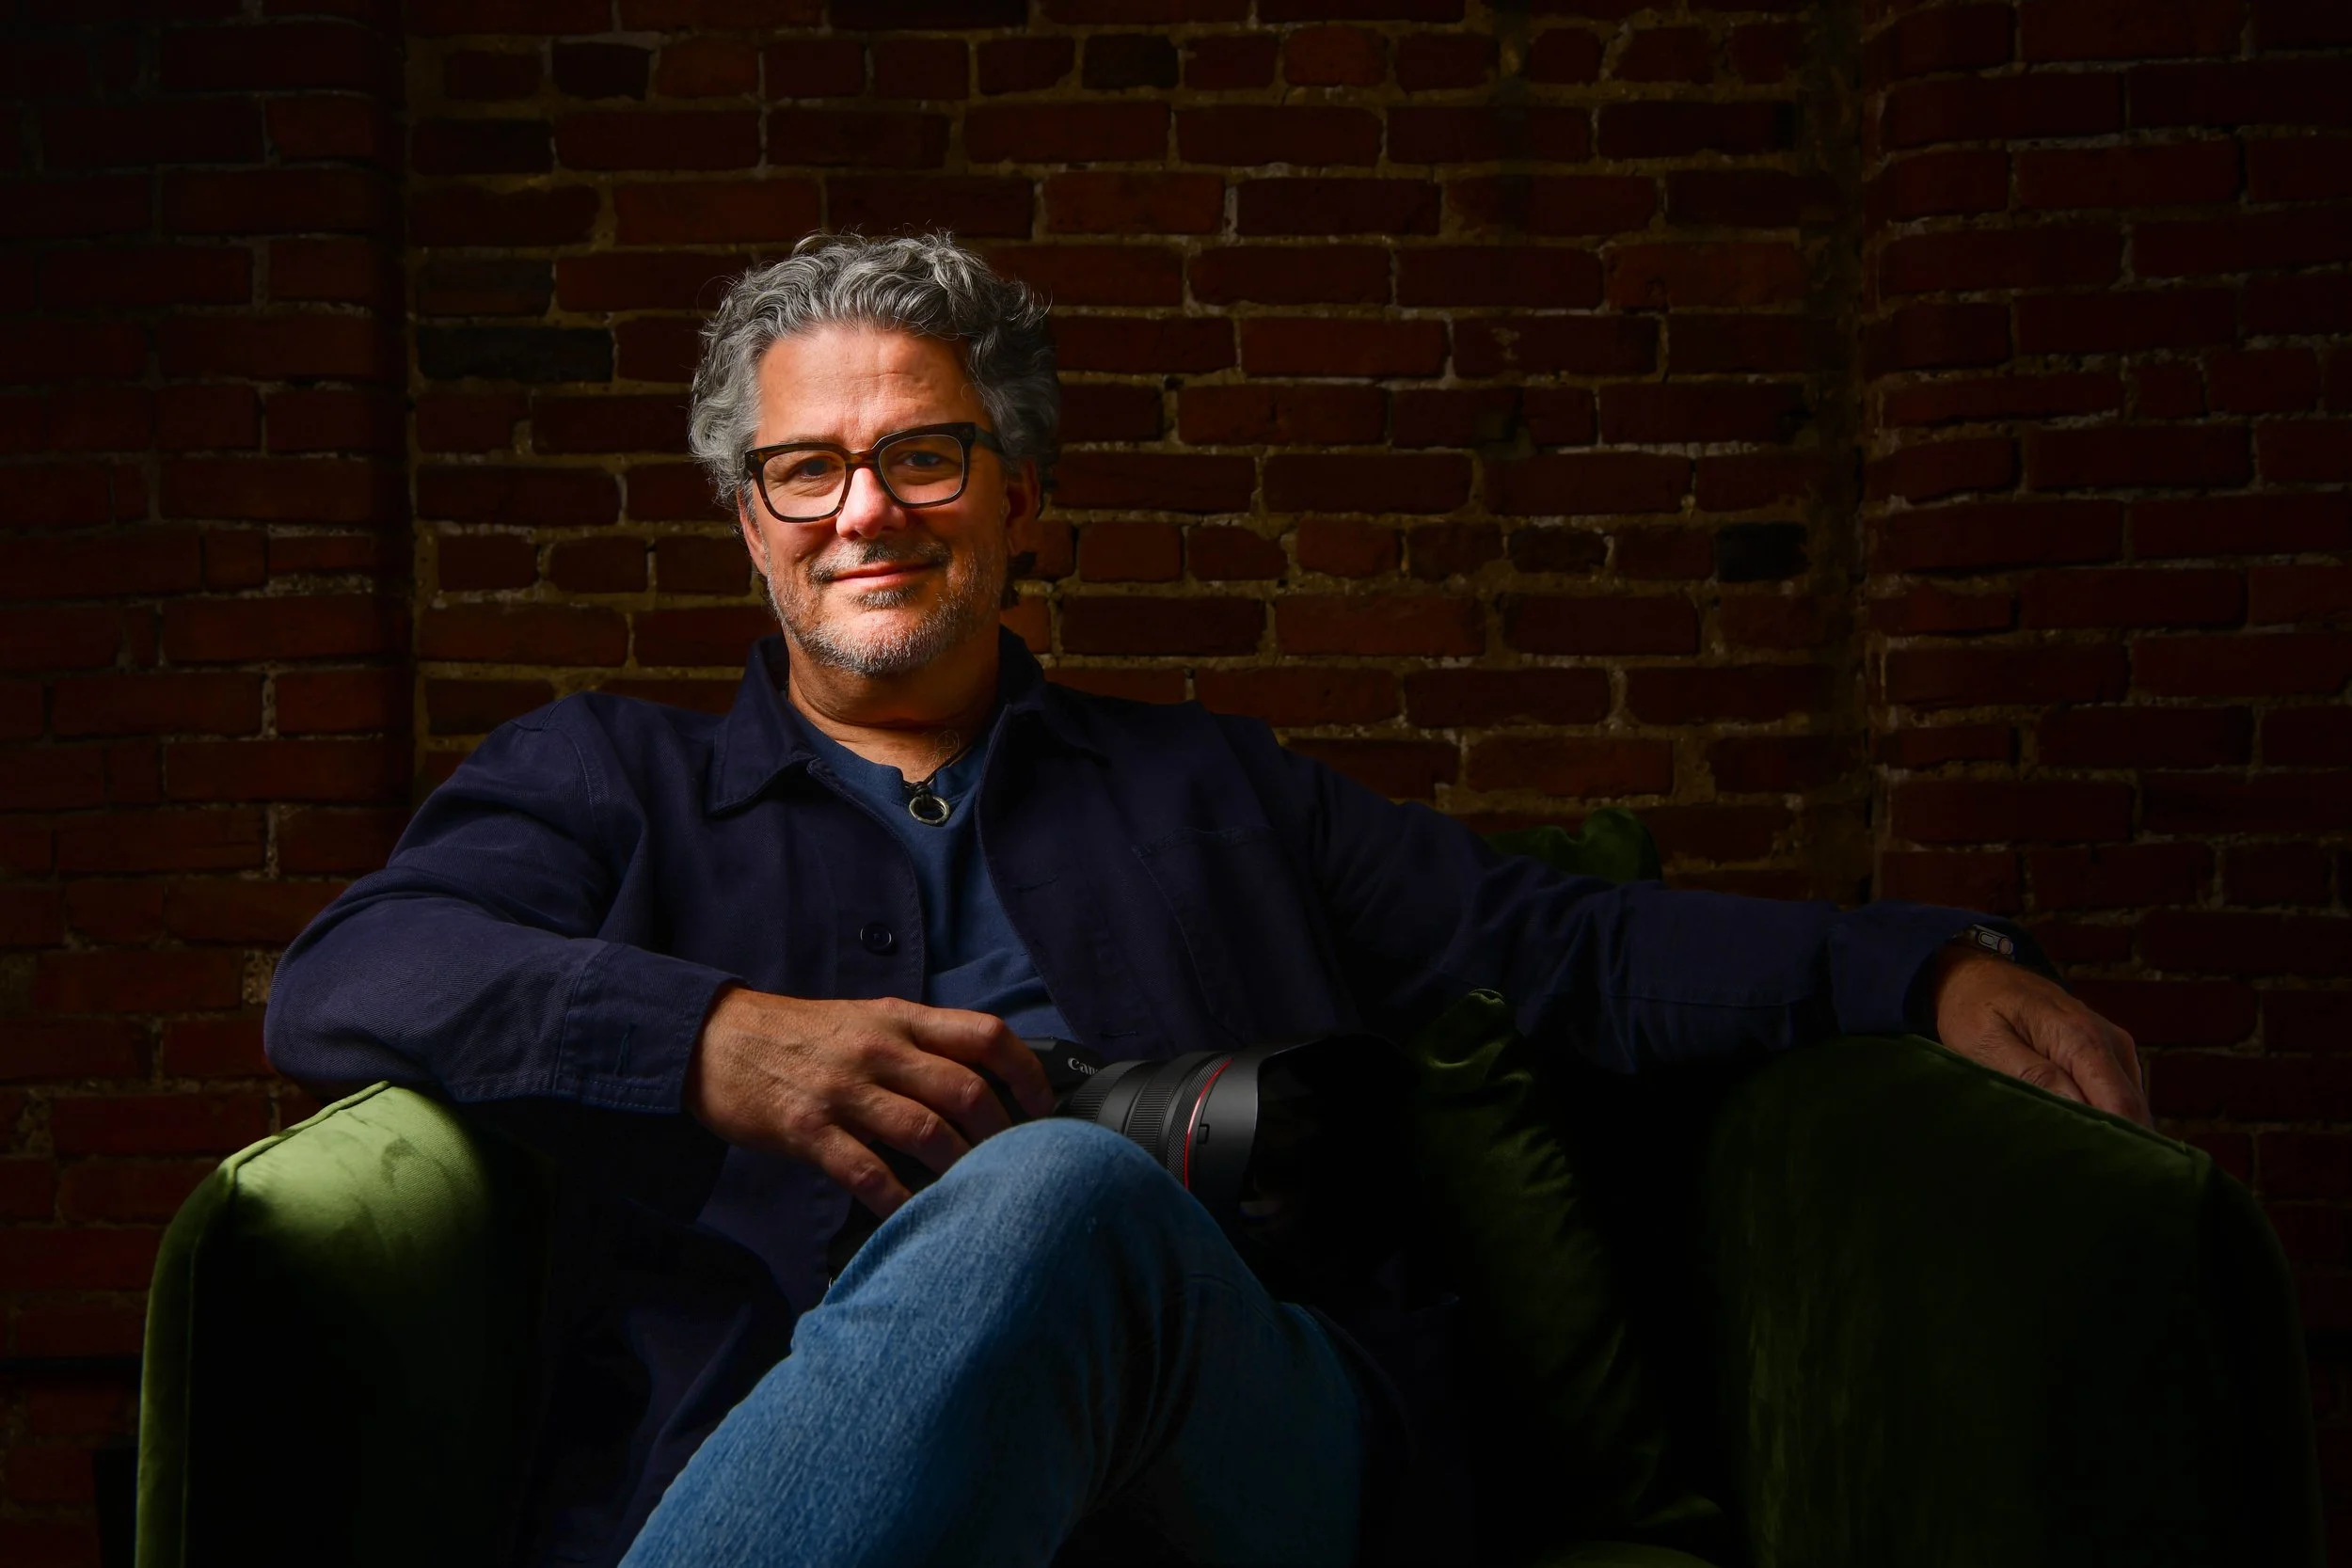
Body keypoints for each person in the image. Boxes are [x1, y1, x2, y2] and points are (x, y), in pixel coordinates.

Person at [265, 232, 2146, 1568]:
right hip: (778, 1433)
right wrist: (710, 1038)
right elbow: (353, 971)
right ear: (746, 518)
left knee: (1060, 1181)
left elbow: (1559, 943)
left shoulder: (1212, 791)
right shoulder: (608, 777)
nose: (865, 511)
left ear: (1021, 504)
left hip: (1242, 1446)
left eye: (923, 455)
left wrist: (1920, 970)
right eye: (805, 468)